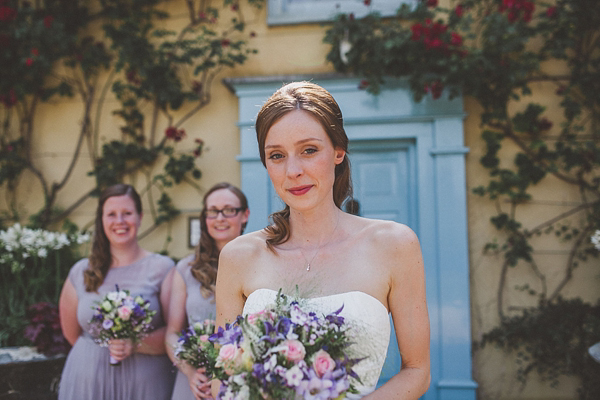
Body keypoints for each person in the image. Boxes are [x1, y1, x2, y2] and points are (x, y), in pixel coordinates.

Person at [214, 81, 430, 398]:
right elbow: (224, 377)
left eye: (309, 150)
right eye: (276, 155)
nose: (293, 170)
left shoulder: (394, 245)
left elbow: (417, 372)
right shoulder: (238, 257)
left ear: (338, 152)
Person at [58, 183, 176, 400]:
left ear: (140, 216)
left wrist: (136, 344)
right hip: (87, 383)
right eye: (111, 214)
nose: (119, 221)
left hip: (145, 385)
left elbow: (174, 332)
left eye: (127, 213)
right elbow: (71, 333)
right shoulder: (81, 271)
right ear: (101, 219)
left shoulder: (162, 268)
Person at [166, 183, 249, 400]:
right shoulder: (186, 269)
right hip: (196, 387)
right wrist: (190, 372)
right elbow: (172, 333)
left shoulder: (258, 265)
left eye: (229, 210)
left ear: (244, 215)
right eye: (213, 211)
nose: (220, 217)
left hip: (244, 381)